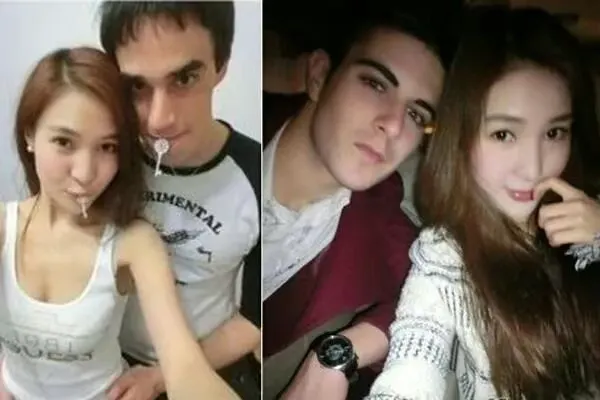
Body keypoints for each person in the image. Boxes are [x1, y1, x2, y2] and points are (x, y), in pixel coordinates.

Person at [367, 6, 600, 399]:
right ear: (463, 136)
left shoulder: (589, 216)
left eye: (554, 132)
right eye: (504, 134)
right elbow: (413, 361)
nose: (533, 168)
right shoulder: (445, 257)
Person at [0, 46, 239, 400]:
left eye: (108, 147)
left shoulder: (133, 243)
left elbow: (185, 367)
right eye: (64, 142)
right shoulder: (4, 227)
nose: (85, 174)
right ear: (30, 134)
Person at [262, 6, 451, 399]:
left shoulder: (385, 225)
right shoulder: (227, 131)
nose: (394, 125)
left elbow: (440, 300)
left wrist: (339, 354)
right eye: (375, 84)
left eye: (416, 114)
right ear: (319, 76)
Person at [98, 2, 261, 399]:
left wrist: (160, 377)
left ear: (221, 65)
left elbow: (256, 318)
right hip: (108, 363)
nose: (159, 119)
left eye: (184, 78)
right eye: (137, 86)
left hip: (212, 363)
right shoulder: (103, 159)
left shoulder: (259, 173)